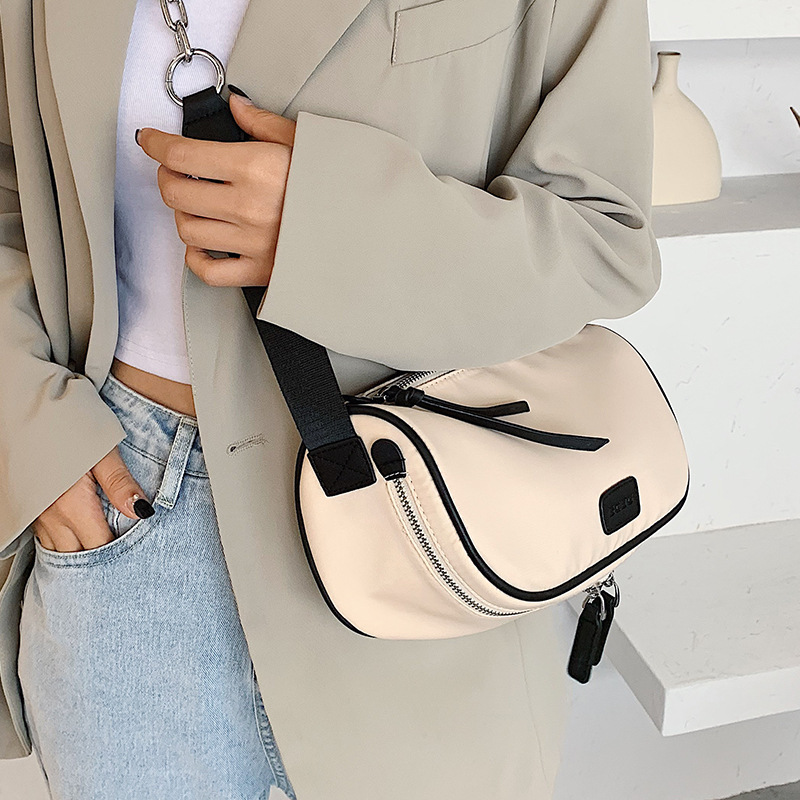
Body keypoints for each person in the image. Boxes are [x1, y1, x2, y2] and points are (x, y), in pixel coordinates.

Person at [0, 0, 662, 798]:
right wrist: (30, 428)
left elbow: (603, 236)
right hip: (121, 519)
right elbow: (12, 182)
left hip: (421, 516)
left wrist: (329, 227)